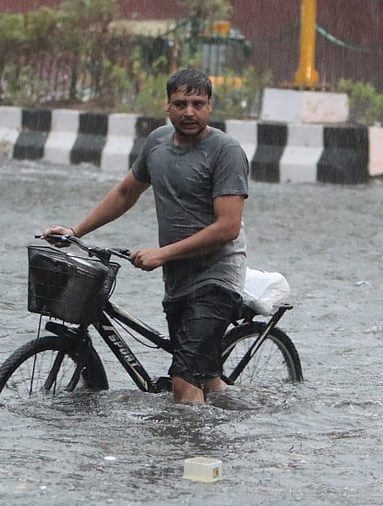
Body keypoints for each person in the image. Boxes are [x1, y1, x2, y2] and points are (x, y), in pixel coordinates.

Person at [41, 68, 249, 404]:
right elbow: (126, 192)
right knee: (206, 377)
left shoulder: (226, 151)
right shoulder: (156, 143)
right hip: (177, 280)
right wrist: (74, 231)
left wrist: (162, 254)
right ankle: (241, 410)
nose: (189, 112)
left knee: (182, 381)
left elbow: (228, 227)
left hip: (217, 277)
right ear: (167, 105)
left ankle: (183, 454)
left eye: (198, 103)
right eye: (180, 103)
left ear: (210, 106)